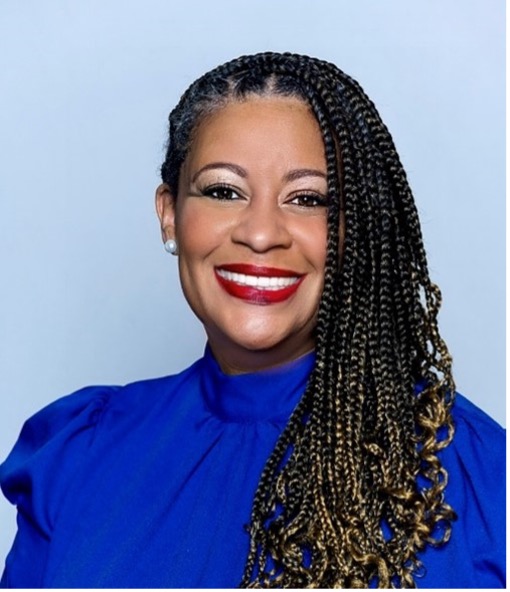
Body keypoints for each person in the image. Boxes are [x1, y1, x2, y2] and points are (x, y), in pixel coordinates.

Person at [0, 52, 505, 588]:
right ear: (170, 214)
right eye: (223, 191)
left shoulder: (477, 475)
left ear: (353, 233)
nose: (261, 233)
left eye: (308, 199)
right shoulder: (80, 454)